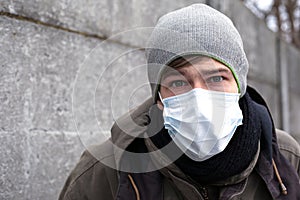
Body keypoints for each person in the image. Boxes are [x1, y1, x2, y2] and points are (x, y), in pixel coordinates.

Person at [59, 4, 300, 200]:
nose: (199, 98)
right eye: (177, 82)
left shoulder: (286, 159)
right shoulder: (103, 173)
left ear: (239, 85)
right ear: (159, 97)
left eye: (216, 78)